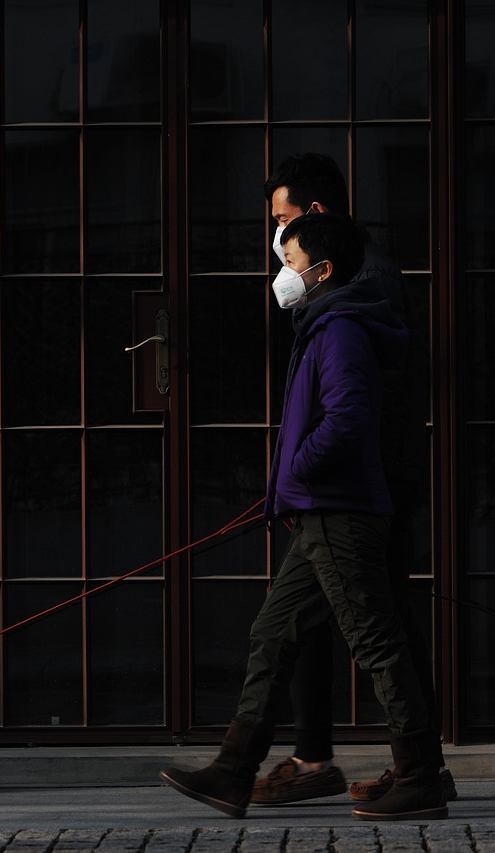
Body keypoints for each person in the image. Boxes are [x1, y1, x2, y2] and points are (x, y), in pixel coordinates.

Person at [160, 212, 450, 822]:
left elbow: (346, 419)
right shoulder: (322, 324)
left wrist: (295, 474)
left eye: (290, 263)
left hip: (340, 513)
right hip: (322, 510)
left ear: (323, 271)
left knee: (375, 641)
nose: (283, 274)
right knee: (273, 633)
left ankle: (422, 774)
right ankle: (234, 771)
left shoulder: (340, 328)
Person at [250, 153, 453, 807]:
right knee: (320, 620)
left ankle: (417, 765)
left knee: (378, 625)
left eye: (282, 223)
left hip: (359, 490)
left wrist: (301, 470)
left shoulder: (353, 283)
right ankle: (335, 757)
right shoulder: (345, 280)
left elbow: (360, 406)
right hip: (341, 487)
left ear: (311, 218)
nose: (277, 241)